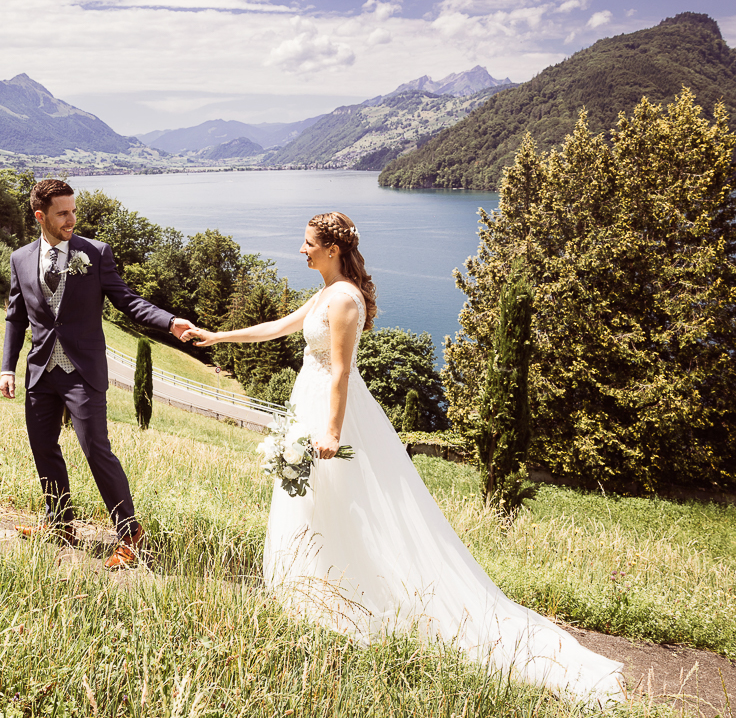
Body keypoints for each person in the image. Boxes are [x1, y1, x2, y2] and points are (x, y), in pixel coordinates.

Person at [181, 212, 626, 702]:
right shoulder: (325, 292)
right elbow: (278, 328)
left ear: (331, 249)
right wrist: (214, 337)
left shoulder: (346, 298)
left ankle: (359, 599)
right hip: (307, 406)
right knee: (315, 506)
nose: (301, 250)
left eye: (308, 244)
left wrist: (329, 432)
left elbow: (341, 373)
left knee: (351, 506)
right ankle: (314, 600)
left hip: (334, 416)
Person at [0, 179, 196, 570]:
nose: (72, 218)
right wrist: (7, 366)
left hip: (82, 372)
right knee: (44, 447)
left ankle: (130, 534)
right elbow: (15, 316)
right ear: (41, 216)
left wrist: (169, 321)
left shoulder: (95, 253)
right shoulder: (20, 259)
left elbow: (127, 301)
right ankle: (59, 523)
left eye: (74, 210)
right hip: (41, 371)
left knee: (95, 450)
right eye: (63, 213)